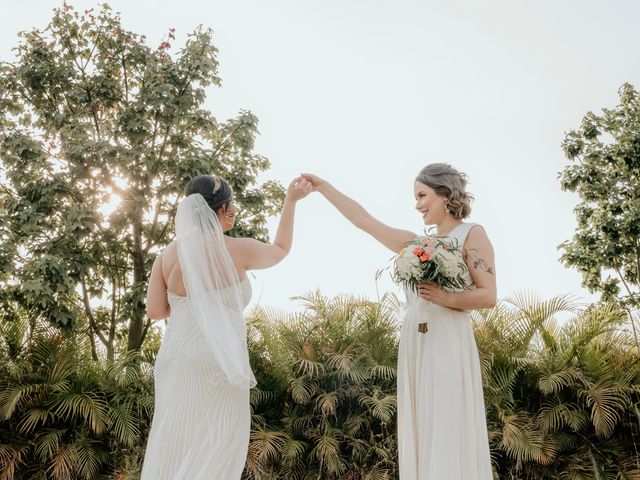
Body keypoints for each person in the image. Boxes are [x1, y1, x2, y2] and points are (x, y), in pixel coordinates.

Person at [302, 164, 495, 479]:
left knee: (445, 417)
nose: (417, 204)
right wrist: (324, 187)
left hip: (448, 339)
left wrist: (444, 298)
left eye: (422, 195)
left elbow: (488, 295)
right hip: (415, 342)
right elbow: (363, 221)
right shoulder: (416, 246)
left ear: (445, 194)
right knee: (420, 422)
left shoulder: (472, 234)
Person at [141, 174, 311, 479]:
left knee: (174, 442)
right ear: (224, 209)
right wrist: (291, 201)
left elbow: (155, 311)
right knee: (216, 445)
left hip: (173, 360)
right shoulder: (234, 248)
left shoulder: (166, 256)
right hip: (217, 360)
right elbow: (281, 248)